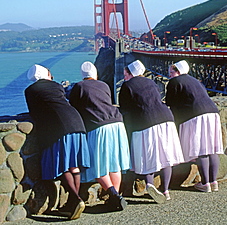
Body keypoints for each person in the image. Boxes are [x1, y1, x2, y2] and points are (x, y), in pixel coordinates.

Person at [25, 64, 90, 220]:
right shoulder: (56, 86)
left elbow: (34, 112)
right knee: (73, 165)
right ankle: (71, 202)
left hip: (58, 127)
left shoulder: (30, 91)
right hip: (76, 122)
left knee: (62, 165)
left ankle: (75, 200)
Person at [119, 60, 184, 202]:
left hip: (145, 121)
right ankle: (165, 190)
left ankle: (150, 185)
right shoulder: (151, 83)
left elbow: (124, 108)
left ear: (131, 74)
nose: (124, 78)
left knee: (147, 155)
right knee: (166, 157)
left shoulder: (127, 85)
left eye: (125, 75)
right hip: (166, 118)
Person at [69, 61, 130, 211]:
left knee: (98, 165)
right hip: (117, 124)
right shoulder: (104, 85)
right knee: (114, 164)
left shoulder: (79, 87)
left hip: (98, 126)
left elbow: (74, 107)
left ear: (83, 75)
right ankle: (114, 199)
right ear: (95, 74)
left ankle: (114, 194)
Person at [165, 60, 223, 193]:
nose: (170, 75)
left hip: (194, 115)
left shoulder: (175, 82)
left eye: (171, 72)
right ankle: (214, 182)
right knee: (211, 148)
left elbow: (169, 101)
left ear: (178, 71)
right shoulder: (195, 80)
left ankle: (205, 183)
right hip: (212, 113)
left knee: (201, 149)